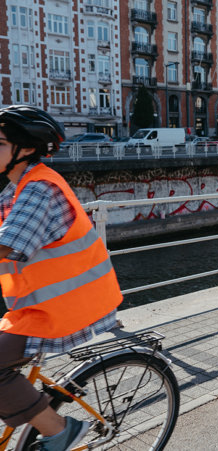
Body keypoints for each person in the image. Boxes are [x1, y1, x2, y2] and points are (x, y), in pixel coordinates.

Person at [0, 105, 123, 451]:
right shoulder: (15, 190)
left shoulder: (40, 190)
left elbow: (7, 244)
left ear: (24, 150)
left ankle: (59, 430)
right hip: (40, 306)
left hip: (65, 309)